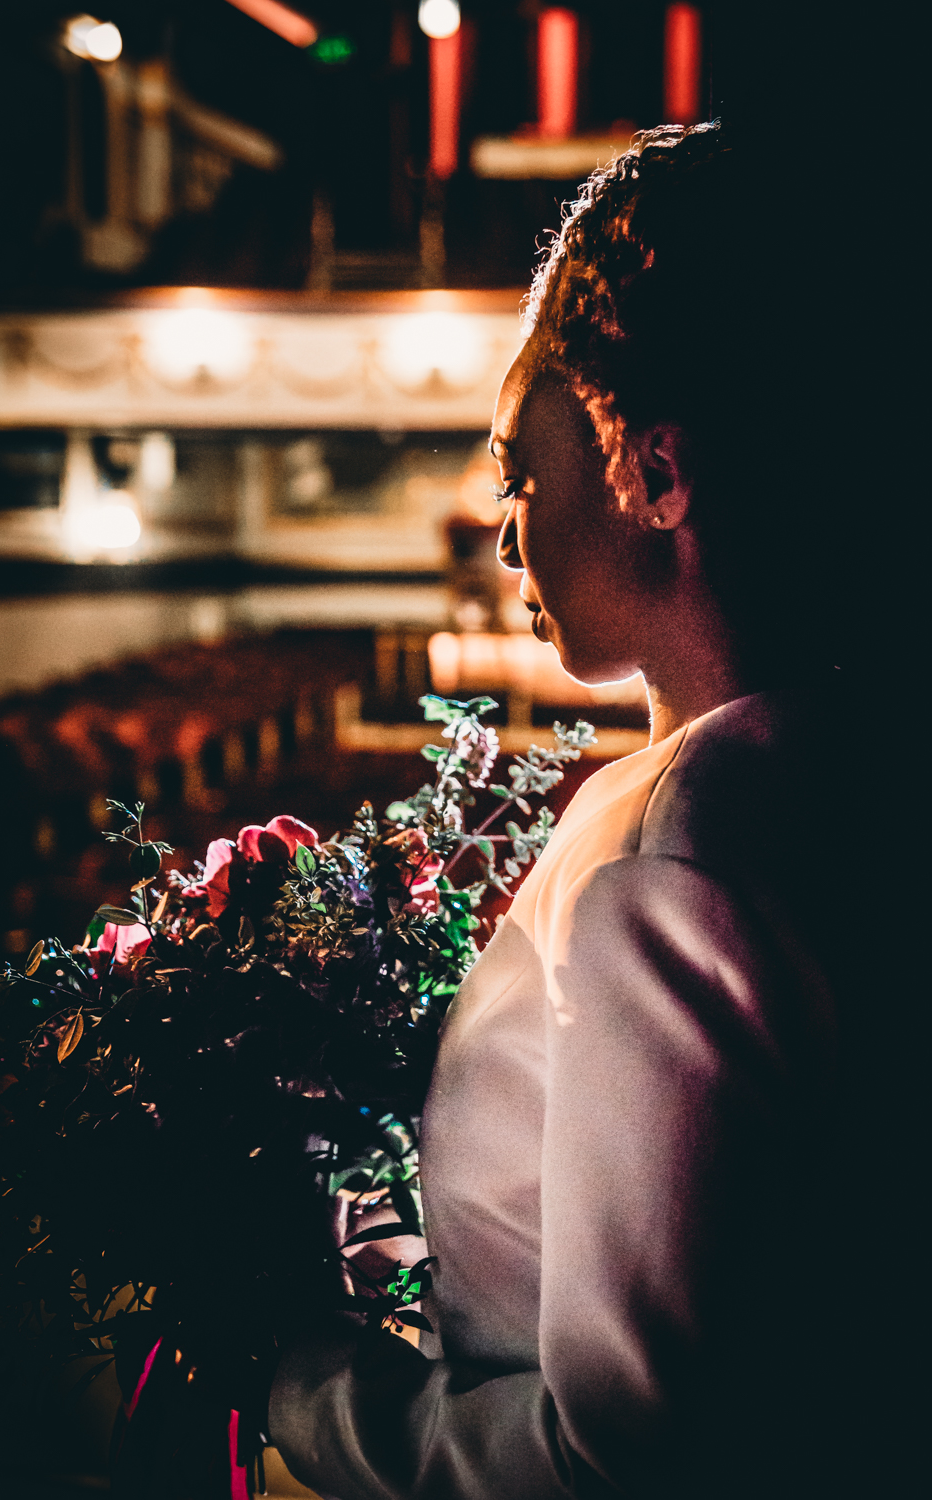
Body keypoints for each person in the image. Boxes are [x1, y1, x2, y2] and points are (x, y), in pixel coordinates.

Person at [267, 122, 910, 1499]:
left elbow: (618, 1460)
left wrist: (301, 1387)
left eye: (517, 470)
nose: (504, 529)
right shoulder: (849, 765)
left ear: (655, 473)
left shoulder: (677, 856)